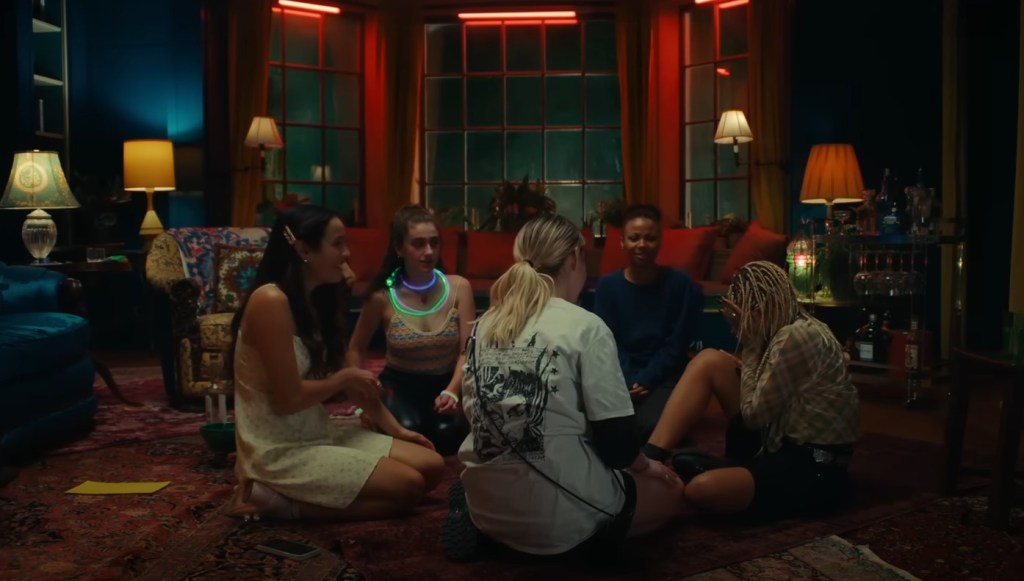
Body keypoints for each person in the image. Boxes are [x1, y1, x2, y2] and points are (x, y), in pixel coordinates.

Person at [443, 215, 685, 562]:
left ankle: (477, 513)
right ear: (574, 257)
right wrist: (646, 467)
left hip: (486, 503)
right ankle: (587, 539)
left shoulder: (484, 325)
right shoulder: (586, 327)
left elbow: (475, 417)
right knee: (672, 493)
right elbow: (618, 445)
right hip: (561, 519)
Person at [226, 204, 445, 521]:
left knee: (432, 466)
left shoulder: (318, 296)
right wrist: (343, 380)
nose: (347, 254)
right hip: (280, 448)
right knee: (408, 487)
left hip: (318, 432)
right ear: (304, 250)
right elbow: (290, 399)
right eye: (338, 244)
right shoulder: (270, 301)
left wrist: (397, 430)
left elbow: (352, 381)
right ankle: (275, 502)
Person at [643, 261, 860, 518]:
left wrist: (751, 344)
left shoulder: (797, 335)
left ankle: (676, 488)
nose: (736, 328)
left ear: (759, 310)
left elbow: (753, 416)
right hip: (774, 443)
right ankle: (650, 457)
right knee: (709, 360)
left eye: (741, 319)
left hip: (813, 466)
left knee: (700, 490)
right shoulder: (784, 329)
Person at [347, 205, 474, 456]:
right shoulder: (382, 296)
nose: (428, 252)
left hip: (445, 383)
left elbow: (467, 351)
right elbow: (355, 348)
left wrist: (453, 390)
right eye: (418, 244)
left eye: (434, 243)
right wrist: (365, 397)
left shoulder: (460, 287)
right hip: (401, 384)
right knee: (409, 432)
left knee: (449, 436)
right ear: (399, 248)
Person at [593, 204, 703, 440]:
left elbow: (677, 343)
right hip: (619, 375)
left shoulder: (680, 284)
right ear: (622, 242)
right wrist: (629, 379)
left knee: (653, 425)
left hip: (665, 375)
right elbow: (607, 342)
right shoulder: (607, 287)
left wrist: (647, 378)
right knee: (599, 424)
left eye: (650, 238)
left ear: (659, 241)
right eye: (634, 238)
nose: (641, 244)